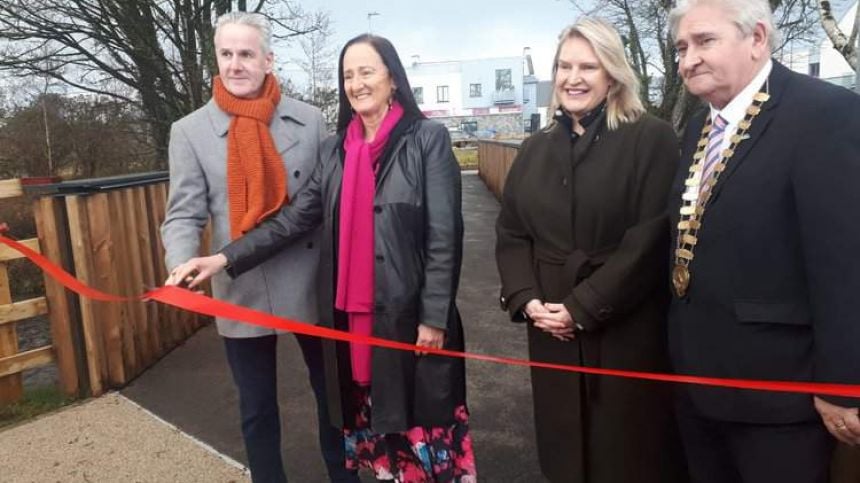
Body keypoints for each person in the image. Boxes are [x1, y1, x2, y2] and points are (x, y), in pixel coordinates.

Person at [166, 33, 477, 482]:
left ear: (393, 77)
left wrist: (434, 318)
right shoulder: (336, 150)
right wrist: (223, 259)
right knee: (377, 434)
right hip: (352, 318)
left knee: (422, 430)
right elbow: (292, 220)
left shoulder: (427, 139)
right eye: (348, 75)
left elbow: (445, 236)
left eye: (367, 71)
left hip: (406, 315)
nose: (356, 84)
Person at [667, 0, 860, 481]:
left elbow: (844, 262)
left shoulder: (825, 114)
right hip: (699, 389)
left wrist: (842, 386)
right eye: (681, 47)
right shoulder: (698, 126)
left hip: (781, 401)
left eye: (705, 41)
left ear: (756, 38)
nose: (689, 59)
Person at [160, 12, 356, 483]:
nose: (235, 65)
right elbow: (184, 213)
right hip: (241, 283)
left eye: (246, 54)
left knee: (332, 396)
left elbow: (323, 203)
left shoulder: (309, 120)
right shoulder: (189, 131)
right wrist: (181, 262)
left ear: (268, 60)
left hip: (311, 279)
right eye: (226, 54)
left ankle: (345, 476)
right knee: (257, 408)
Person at [495, 17, 687, 483]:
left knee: (626, 455)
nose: (573, 78)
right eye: (564, 66)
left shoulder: (651, 138)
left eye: (588, 66)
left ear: (613, 74)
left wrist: (582, 307)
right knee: (562, 452)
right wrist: (526, 298)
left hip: (623, 330)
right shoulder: (534, 148)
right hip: (550, 330)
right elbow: (512, 232)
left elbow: (649, 240)